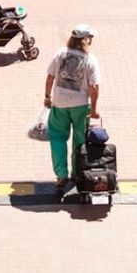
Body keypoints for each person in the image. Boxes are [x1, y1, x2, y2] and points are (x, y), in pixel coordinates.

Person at [44, 24, 101, 192]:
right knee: (80, 139)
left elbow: (50, 77)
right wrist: (94, 109)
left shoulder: (60, 54)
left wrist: (47, 97)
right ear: (85, 40)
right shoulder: (90, 60)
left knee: (57, 138)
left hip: (60, 103)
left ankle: (61, 175)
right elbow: (94, 87)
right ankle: (78, 172)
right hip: (81, 106)